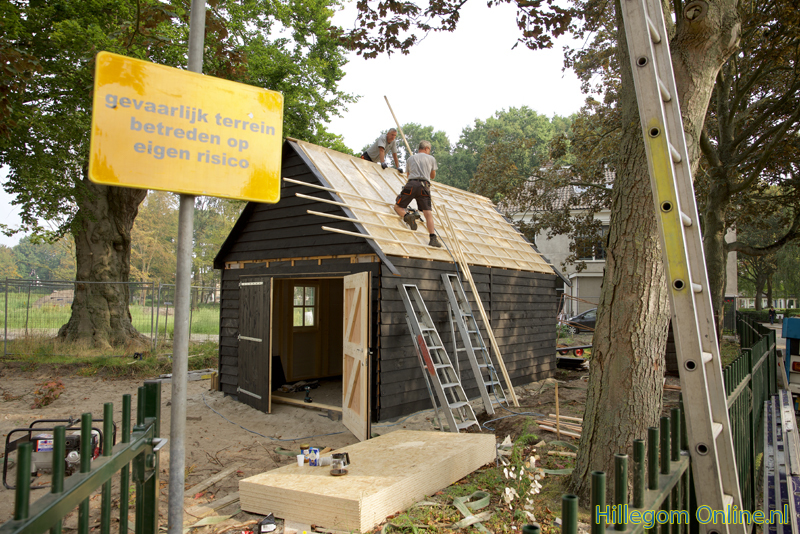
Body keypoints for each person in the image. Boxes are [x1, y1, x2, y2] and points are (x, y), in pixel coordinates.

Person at [394, 140, 441, 248]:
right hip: (424, 186)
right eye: (429, 149)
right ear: (426, 148)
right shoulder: (431, 159)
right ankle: (433, 238)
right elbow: (432, 176)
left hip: (411, 185)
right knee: (428, 213)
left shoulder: (410, 159)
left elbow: (408, 175)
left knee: (397, 206)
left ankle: (407, 216)